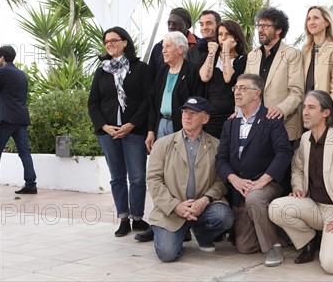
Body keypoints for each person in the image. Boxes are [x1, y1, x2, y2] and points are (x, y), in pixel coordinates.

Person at [269, 90, 333, 274]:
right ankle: (309, 241)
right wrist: (299, 187)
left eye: (311, 107)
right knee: (276, 208)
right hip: (314, 207)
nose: (305, 112)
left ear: (326, 113)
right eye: (304, 107)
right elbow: (298, 167)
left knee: (332, 266)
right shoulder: (305, 139)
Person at [215, 73, 293, 267]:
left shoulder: (271, 119)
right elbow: (221, 159)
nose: (237, 92)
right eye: (236, 88)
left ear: (257, 93)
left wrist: (263, 181)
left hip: (267, 184)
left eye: (243, 88)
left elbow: (284, 152)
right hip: (240, 188)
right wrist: (235, 180)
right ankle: (280, 233)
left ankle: (272, 246)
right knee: (245, 246)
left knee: (255, 197)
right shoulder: (230, 123)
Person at [146, 96, 234, 262]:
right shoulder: (163, 144)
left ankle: (201, 234)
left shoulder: (217, 146)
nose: (187, 116)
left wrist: (205, 200)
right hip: (171, 210)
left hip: (203, 208)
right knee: (167, 254)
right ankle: (179, 230)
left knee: (224, 217)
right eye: (185, 112)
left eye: (193, 113)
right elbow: (153, 180)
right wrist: (175, 206)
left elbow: (221, 181)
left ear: (205, 118)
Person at [137, 31, 203, 242]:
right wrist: (151, 130)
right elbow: (153, 103)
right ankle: (158, 222)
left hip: (181, 128)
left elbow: (197, 104)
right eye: (163, 46)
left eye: (167, 46)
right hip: (161, 126)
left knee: (179, 175)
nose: (163, 50)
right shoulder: (162, 72)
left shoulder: (192, 72)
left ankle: (182, 224)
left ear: (180, 49)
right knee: (159, 174)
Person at [88, 27, 152, 237]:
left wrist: (132, 124)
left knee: (137, 177)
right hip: (108, 133)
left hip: (134, 131)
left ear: (125, 42)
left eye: (114, 40)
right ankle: (124, 218)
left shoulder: (140, 68)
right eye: (106, 42)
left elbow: (147, 100)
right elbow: (93, 103)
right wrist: (105, 127)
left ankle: (137, 217)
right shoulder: (101, 70)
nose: (110, 44)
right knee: (117, 177)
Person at [245, 7, 304, 143]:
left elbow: (297, 91)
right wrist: (239, 113)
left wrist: (281, 109)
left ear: (279, 30)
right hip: (254, 126)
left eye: (265, 26)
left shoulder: (292, 54)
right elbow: (244, 88)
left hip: (283, 127)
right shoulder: (252, 55)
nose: (260, 29)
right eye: (259, 25)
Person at [198, 20, 247, 138]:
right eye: (220, 34)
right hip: (211, 116)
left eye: (227, 34)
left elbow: (228, 78)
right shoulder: (211, 56)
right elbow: (204, 77)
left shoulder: (243, 59)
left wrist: (225, 51)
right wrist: (211, 53)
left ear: (236, 37)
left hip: (231, 115)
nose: (223, 38)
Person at [0, 45, 38, 194]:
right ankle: (31, 184)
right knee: (24, 152)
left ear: (2, 57)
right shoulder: (21, 73)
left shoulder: (2, 72)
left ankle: (30, 184)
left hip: (7, 119)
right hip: (21, 118)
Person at [301, 6, 333, 126]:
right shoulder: (305, 51)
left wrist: (327, 115)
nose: (311, 22)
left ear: (327, 22)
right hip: (307, 117)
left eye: (316, 18)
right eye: (309, 19)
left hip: (328, 118)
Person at [148, 7, 203, 79]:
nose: (171, 27)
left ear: (187, 26)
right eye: (169, 23)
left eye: (175, 24)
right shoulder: (159, 47)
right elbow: (151, 76)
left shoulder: (200, 46)